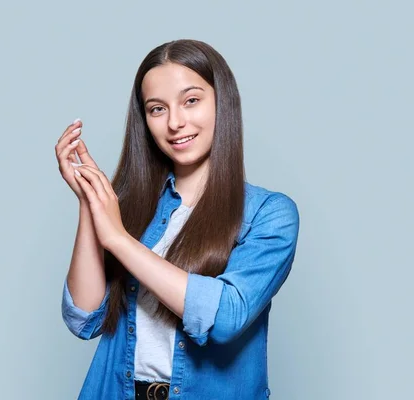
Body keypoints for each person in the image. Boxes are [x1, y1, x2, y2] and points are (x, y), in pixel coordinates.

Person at [55, 39, 300, 400]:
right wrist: (91, 203)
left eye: (191, 101)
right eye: (157, 109)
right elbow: (84, 318)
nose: (175, 122)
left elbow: (226, 317)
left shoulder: (269, 214)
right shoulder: (131, 208)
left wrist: (119, 239)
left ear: (222, 102)